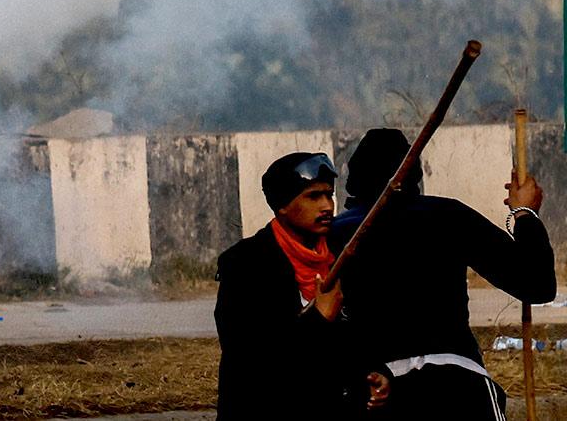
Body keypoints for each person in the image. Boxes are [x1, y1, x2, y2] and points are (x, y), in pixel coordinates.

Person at [331, 127, 557, 420]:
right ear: (415, 175)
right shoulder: (448, 216)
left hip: (377, 392)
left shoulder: (336, 234)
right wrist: (524, 213)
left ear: (354, 179)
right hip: (459, 386)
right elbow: (537, 283)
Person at [215, 151, 390, 420]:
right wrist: (319, 318)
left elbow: (362, 336)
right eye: (312, 196)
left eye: (328, 195)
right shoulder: (245, 265)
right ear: (282, 205)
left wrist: (377, 374)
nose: (326, 206)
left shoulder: (341, 256)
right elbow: (252, 358)